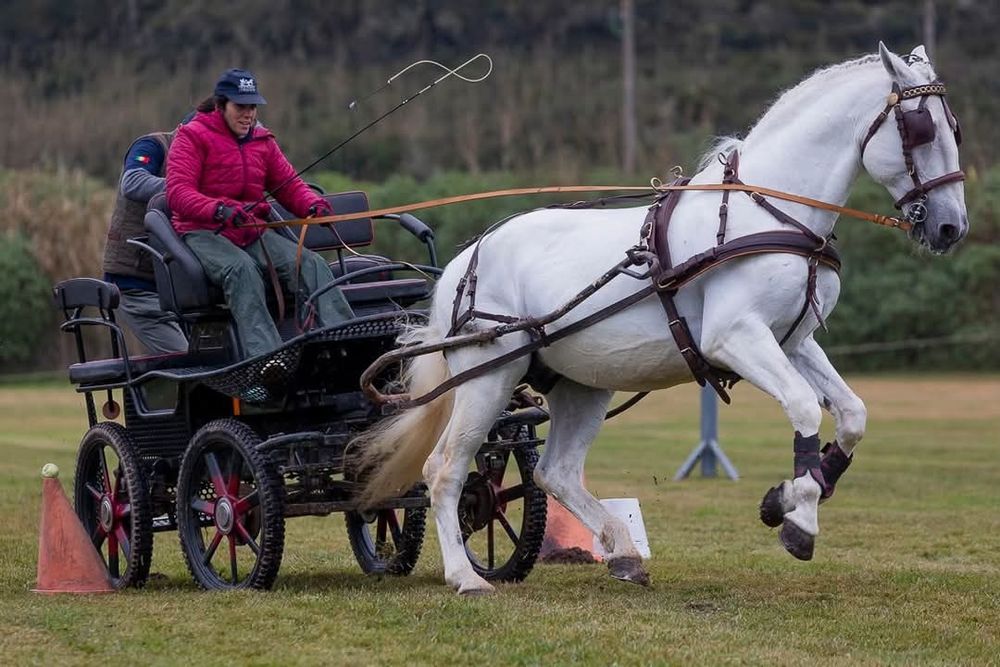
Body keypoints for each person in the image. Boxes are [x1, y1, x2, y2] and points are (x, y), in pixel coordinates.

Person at [166, 68, 354, 360]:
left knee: (311, 263)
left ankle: (346, 341)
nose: (248, 115)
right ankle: (268, 359)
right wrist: (219, 209)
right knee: (242, 271)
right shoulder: (191, 137)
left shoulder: (262, 141)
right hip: (203, 230)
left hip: (249, 230)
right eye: (241, 107)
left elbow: (290, 185)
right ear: (220, 105)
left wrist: (312, 205)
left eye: (252, 107)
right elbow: (177, 193)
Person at [102, 130, 189, 354]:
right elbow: (131, 182)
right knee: (187, 360)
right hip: (137, 284)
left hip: (178, 291)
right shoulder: (153, 145)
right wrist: (187, 189)